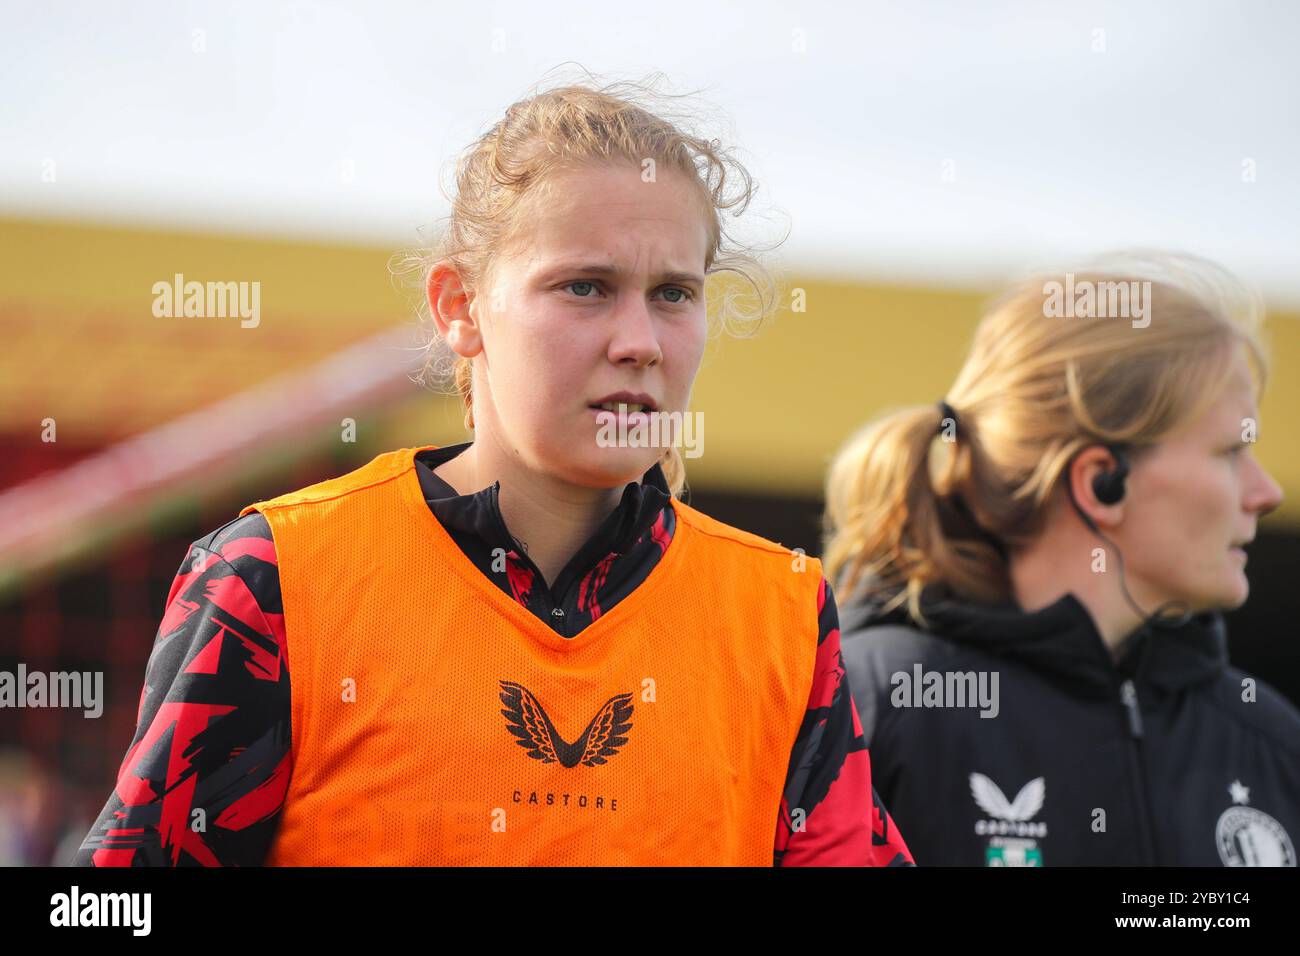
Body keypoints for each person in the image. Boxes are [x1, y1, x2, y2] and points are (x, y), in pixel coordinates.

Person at [75, 73, 912, 867]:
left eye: (673, 294)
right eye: (585, 287)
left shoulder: (782, 614)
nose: (640, 342)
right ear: (460, 309)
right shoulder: (278, 578)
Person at [825, 255, 1299, 866]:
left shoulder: (1271, 740)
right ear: (1103, 481)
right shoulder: (872, 704)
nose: (1267, 493)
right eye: (1232, 451)